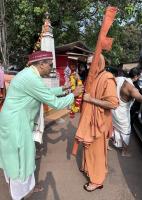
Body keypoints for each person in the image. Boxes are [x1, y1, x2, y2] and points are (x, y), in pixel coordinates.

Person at [0, 51, 83, 200]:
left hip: (17, 121)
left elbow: (43, 92)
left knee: (26, 157)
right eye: (50, 64)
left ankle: (28, 187)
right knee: (19, 161)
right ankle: (19, 195)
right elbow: (55, 103)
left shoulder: (29, 74)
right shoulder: (31, 78)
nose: (51, 68)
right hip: (16, 124)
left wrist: (64, 89)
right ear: (41, 64)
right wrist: (74, 95)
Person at [74, 54, 119, 192]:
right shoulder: (92, 77)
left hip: (99, 123)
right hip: (89, 120)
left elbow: (113, 104)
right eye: (87, 64)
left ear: (99, 63)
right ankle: (89, 169)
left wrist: (91, 100)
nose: (88, 67)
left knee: (97, 152)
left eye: (91, 64)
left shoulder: (107, 78)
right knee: (89, 149)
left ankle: (97, 181)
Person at [112, 67, 142, 156]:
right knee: (126, 131)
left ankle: (115, 144)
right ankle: (124, 151)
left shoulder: (119, 79)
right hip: (122, 113)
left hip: (114, 109)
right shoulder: (132, 89)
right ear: (136, 76)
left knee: (116, 127)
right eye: (139, 76)